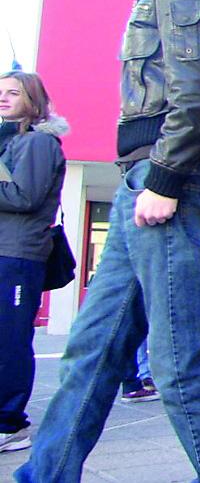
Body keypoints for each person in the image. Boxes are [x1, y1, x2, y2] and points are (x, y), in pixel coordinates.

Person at [17, 0, 200, 481]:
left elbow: (199, 94)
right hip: (138, 186)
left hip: (165, 181)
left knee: (179, 362)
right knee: (91, 353)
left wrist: (166, 181)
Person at [0, 72, 68, 454]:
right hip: (6, 251)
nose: (3, 98)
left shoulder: (39, 143)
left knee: (9, 341)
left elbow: (25, 196)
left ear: (34, 99)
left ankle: (9, 422)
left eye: (13, 92)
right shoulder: (10, 142)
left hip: (18, 254)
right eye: (0, 92)